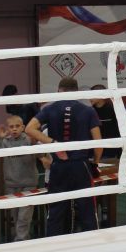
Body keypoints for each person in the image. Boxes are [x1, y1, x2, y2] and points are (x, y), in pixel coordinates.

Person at [25, 77, 102, 237]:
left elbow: (29, 128)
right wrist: (95, 162)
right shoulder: (88, 110)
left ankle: (54, 246)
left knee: (56, 210)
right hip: (81, 165)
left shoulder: (50, 108)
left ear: (59, 90)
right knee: (87, 208)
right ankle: (92, 245)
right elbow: (98, 143)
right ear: (77, 91)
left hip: (59, 165)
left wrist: (53, 143)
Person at [0, 115, 39, 242]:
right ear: (8, 128)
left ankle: (20, 240)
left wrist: (34, 143)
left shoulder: (28, 139)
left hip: (29, 183)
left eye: (17, 126)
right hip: (11, 184)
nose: (14, 129)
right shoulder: (5, 142)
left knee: (24, 216)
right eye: (11, 127)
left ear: (23, 127)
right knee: (16, 215)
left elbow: (41, 154)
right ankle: (22, 237)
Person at [89, 84, 121, 159]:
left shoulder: (113, 109)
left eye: (92, 95)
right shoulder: (90, 111)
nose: (90, 98)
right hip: (93, 150)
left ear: (101, 95)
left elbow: (123, 127)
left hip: (110, 150)